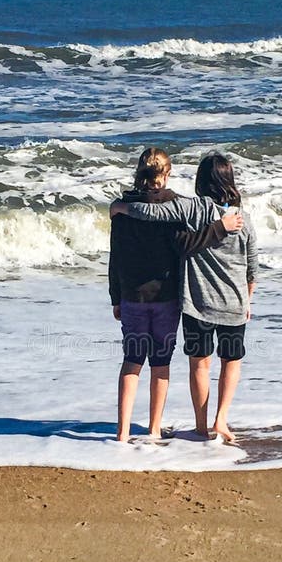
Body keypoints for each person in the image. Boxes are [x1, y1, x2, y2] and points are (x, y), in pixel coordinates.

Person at [111, 152, 257, 442]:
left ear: (200, 182)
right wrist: (247, 299)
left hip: (196, 305)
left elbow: (152, 214)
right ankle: (220, 420)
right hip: (230, 304)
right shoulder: (244, 219)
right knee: (230, 361)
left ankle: (199, 427)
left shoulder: (193, 209)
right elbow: (252, 266)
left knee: (195, 364)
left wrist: (121, 206)